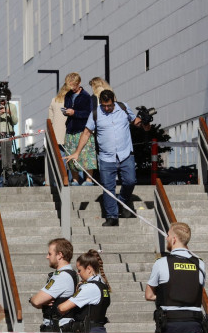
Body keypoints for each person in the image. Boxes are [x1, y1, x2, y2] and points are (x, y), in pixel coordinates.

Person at [65, 89, 143, 227]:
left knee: (130, 181)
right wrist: (77, 152)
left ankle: (122, 202)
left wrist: (145, 122)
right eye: (104, 105)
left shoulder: (123, 108)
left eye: (109, 105)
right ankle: (111, 216)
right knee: (108, 187)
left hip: (125, 154)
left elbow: (136, 122)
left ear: (114, 101)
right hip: (106, 157)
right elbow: (86, 133)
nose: (106, 108)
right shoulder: (95, 113)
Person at [62, 73, 94, 185]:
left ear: (78, 83)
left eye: (73, 85)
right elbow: (67, 107)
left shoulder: (86, 96)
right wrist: (66, 111)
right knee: (70, 153)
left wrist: (74, 112)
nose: (71, 88)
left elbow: (88, 113)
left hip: (83, 128)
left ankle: (89, 179)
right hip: (70, 128)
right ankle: (75, 179)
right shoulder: (68, 95)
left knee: (87, 155)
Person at [0, 82, 18, 176]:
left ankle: (9, 173)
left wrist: (9, 113)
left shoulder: (11, 106)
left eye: (4, 100)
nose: (2, 102)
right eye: (1, 100)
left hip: (7, 132)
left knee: (7, 154)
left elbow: (15, 121)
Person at [47, 81, 70, 147]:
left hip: (55, 135)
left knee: (59, 155)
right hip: (69, 135)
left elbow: (50, 119)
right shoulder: (72, 101)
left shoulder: (54, 100)